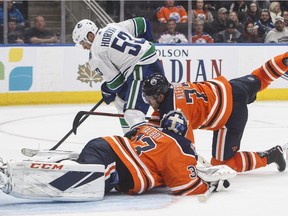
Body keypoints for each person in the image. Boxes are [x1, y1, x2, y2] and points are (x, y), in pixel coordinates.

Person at [0, 110, 237, 201]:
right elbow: (183, 186)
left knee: (86, 176)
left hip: (106, 147)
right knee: (81, 184)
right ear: (185, 132)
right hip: (115, 164)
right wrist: (208, 184)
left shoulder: (148, 129)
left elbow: (135, 124)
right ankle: (23, 172)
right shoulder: (182, 148)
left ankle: (52, 165)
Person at [142, 52, 288, 173]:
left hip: (230, 114)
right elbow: (162, 116)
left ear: (160, 96)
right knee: (261, 77)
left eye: (149, 98)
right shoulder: (171, 89)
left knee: (223, 163)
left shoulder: (176, 112)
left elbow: (185, 148)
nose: (148, 102)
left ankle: (271, 156)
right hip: (232, 86)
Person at [72, 17, 165, 133]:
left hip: (140, 69)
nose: (84, 47)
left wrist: (106, 91)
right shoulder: (111, 27)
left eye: (82, 43)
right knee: (121, 101)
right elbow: (143, 23)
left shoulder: (95, 55)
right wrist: (146, 44)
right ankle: (129, 136)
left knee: (132, 113)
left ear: (90, 36)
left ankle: (141, 145)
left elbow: (116, 84)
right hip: (152, 60)